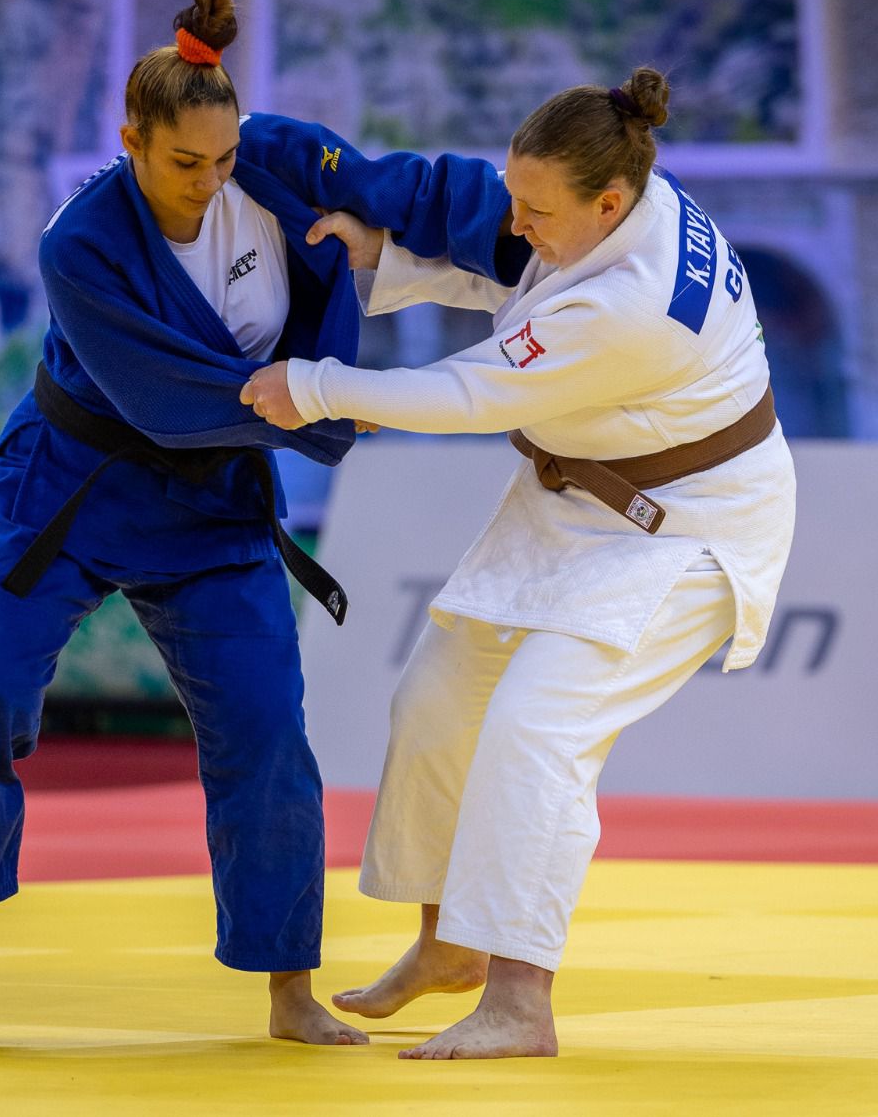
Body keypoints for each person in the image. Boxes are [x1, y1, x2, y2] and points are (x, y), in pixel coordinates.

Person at [0, 0, 521, 1043]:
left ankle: (286, 986)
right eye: (184, 163)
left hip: (213, 504)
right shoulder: (77, 243)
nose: (210, 181)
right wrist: (324, 411)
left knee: (267, 724)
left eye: (223, 160)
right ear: (129, 140)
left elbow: (392, 184)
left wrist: (523, 230)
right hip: (70, 486)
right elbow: (166, 400)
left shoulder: (272, 159)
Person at [242, 67, 797, 1059]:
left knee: (539, 727)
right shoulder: (622, 203)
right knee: (436, 704)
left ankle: (519, 997)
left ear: (608, 202)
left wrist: (314, 385)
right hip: (584, 495)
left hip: (686, 528)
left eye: (537, 206)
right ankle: (446, 944)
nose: (518, 220)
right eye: (515, 196)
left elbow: (473, 390)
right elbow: (527, 276)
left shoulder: (635, 301)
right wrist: (388, 261)